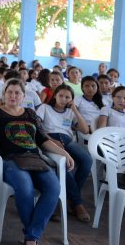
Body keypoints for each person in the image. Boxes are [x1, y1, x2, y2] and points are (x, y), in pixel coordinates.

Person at [0, 78, 74, 245]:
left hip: (34, 159)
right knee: (25, 187)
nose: (13, 95)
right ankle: (32, 238)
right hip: (10, 160)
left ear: (23, 96)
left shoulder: (31, 113)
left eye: (17, 92)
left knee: (54, 188)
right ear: (3, 94)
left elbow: (43, 139)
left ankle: (31, 234)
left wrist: (64, 153)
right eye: (9, 92)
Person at [36, 84, 92, 222]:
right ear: (55, 95)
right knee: (65, 164)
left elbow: (85, 130)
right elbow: (36, 126)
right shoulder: (45, 108)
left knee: (87, 160)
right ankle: (77, 203)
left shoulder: (70, 112)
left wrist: (75, 110)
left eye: (68, 97)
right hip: (49, 140)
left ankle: (71, 198)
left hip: (67, 140)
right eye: (60, 95)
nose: (63, 99)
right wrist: (51, 140)